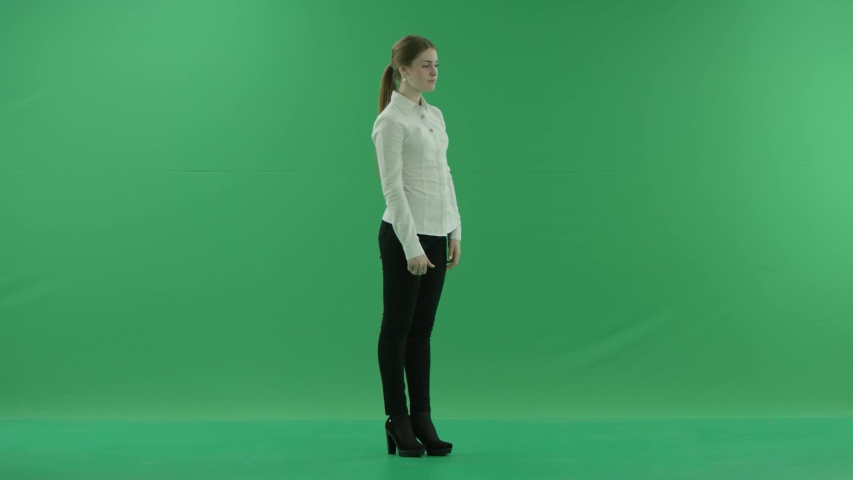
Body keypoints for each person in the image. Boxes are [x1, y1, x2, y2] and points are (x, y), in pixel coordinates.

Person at [372, 35, 460, 458]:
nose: (434, 71)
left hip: (437, 233)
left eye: (436, 64)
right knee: (397, 329)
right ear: (403, 69)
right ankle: (397, 419)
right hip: (405, 238)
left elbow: (444, 176)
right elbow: (393, 189)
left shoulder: (435, 116)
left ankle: (422, 418)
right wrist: (411, 247)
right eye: (426, 65)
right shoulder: (391, 122)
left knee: (422, 332)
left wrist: (454, 230)